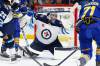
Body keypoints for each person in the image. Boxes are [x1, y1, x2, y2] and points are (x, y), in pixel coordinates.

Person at [76, 0, 100, 66]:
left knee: (86, 53)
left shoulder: (85, 4)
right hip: (97, 25)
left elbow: (79, 20)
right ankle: (98, 62)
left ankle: (81, 61)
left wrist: (78, 27)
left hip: (83, 26)